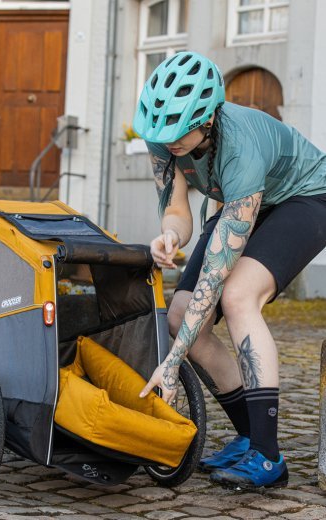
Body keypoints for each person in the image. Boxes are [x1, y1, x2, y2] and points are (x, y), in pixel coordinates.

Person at [133, 51, 326, 490]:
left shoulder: (241, 147)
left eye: (182, 133)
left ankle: (268, 457)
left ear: (208, 118)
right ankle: (247, 436)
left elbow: (215, 278)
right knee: (182, 315)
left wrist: (171, 363)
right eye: (164, 135)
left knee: (237, 297)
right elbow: (178, 209)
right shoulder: (163, 138)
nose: (171, 142)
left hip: (307, 198)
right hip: (246, 200)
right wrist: (170, 236)